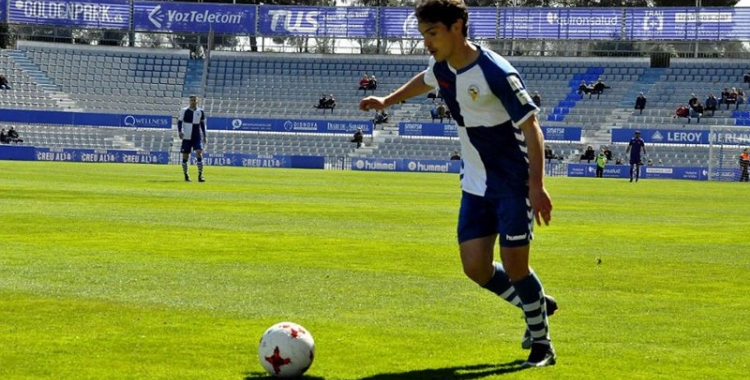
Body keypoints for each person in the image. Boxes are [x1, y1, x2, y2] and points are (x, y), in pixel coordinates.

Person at [359, 0, 556, 368]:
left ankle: (542, 344)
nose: (427, 42)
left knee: (517, 267)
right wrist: (387, 100)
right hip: (475, 184)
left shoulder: (496, 71)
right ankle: (537, 304)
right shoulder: (442, 67)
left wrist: (536, 185)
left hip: (512, 184)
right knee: (475, 268)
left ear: (457, 27)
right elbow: (426, 79)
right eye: (423, 35)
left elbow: (532, 129)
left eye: (432, 33)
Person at [177, 95, 207, 182]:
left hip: (196, 137)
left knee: (199, 153)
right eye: (191, 100)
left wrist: (204, 136)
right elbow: (179, 122)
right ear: (189, 101)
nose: (193, 102)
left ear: (197, 101)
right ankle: (186, 175)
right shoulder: (184, 111)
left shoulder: (200, 111)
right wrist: (179, 131)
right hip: (186, 137)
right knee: (185, 156)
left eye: (194, 100)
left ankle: (200, 175)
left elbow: (202, 124)